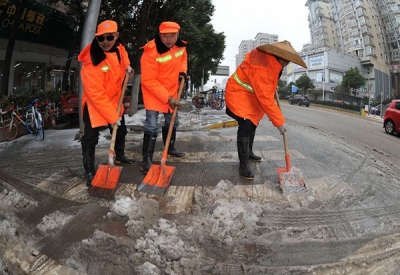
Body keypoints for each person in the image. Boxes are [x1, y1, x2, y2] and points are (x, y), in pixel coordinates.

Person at [225, 40, 307, 180]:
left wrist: (272, 86)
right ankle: (243, 165)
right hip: (238, 92)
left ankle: (249, 152)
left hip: (250, 95)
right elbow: (265, 98)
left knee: (252, 123)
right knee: (246, 124)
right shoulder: (263, 66)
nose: (287, 62)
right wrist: (279, 123)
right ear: (278, 55)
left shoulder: (273, 63)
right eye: (286, 59)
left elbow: (266, 86)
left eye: (289, 60)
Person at [78, 20, 135, 187]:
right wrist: (112, 116)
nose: (105, 42)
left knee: (121, 130)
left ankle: (119, 155)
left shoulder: (119, 48)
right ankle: (89, 171)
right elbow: (96, 93)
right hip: (95, 103)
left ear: (116, 36)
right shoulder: (91, 60)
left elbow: (124, 57)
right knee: (90, 138)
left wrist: (128, 67)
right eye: (100, 38)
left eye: (109, 37)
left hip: (114, 100)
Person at [140, 21, 188, 174]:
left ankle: (170, 148)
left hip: (172, 91)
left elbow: (183, 60)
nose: (169, 39)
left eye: (172, 35)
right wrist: (168, 98)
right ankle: (146, 159)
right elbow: (148, 81)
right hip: (154, 93)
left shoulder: (181, 46)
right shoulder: (150, 52)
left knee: (172, 122)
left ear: (177, 34)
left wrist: (182, 73)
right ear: (159, 35)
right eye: (165, 36)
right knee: (152, 125)